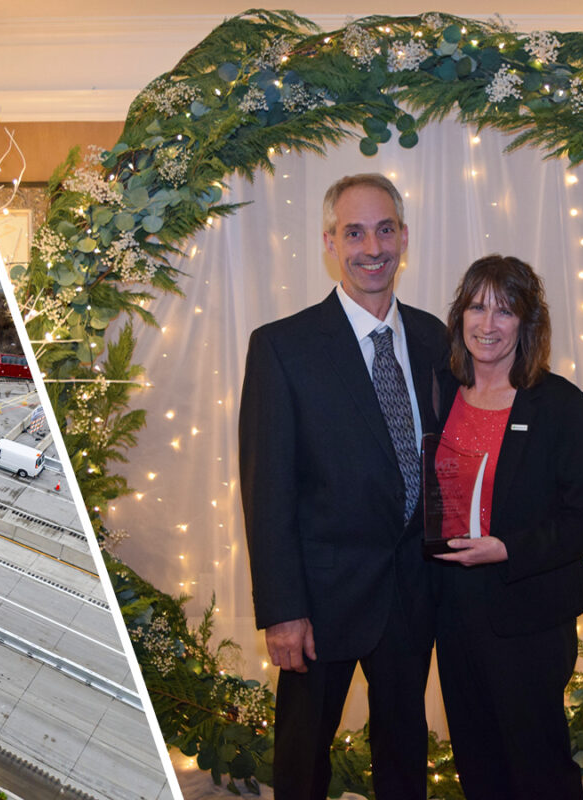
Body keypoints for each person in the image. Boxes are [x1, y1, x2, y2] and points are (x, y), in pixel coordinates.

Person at [239, 173, 448, 798]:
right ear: (331, 242)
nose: (372, 247)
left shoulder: (438, 338)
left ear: (404, 238)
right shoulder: (283, 347)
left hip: (413, 594)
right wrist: (282, 611)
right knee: (303, 762)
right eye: (354, 232)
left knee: (405, 754)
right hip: (319, 603)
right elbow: (265, 489)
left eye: (385, 230)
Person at [432, 255, 583, 799]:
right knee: (477, 763)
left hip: (529, 613)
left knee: (538, 768)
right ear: (460, 315)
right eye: (477, 306)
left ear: (527, 324)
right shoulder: (438, 392)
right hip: (452, 610)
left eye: (505, 311)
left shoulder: (559, 403)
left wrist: (507, 549)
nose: (488, 324)